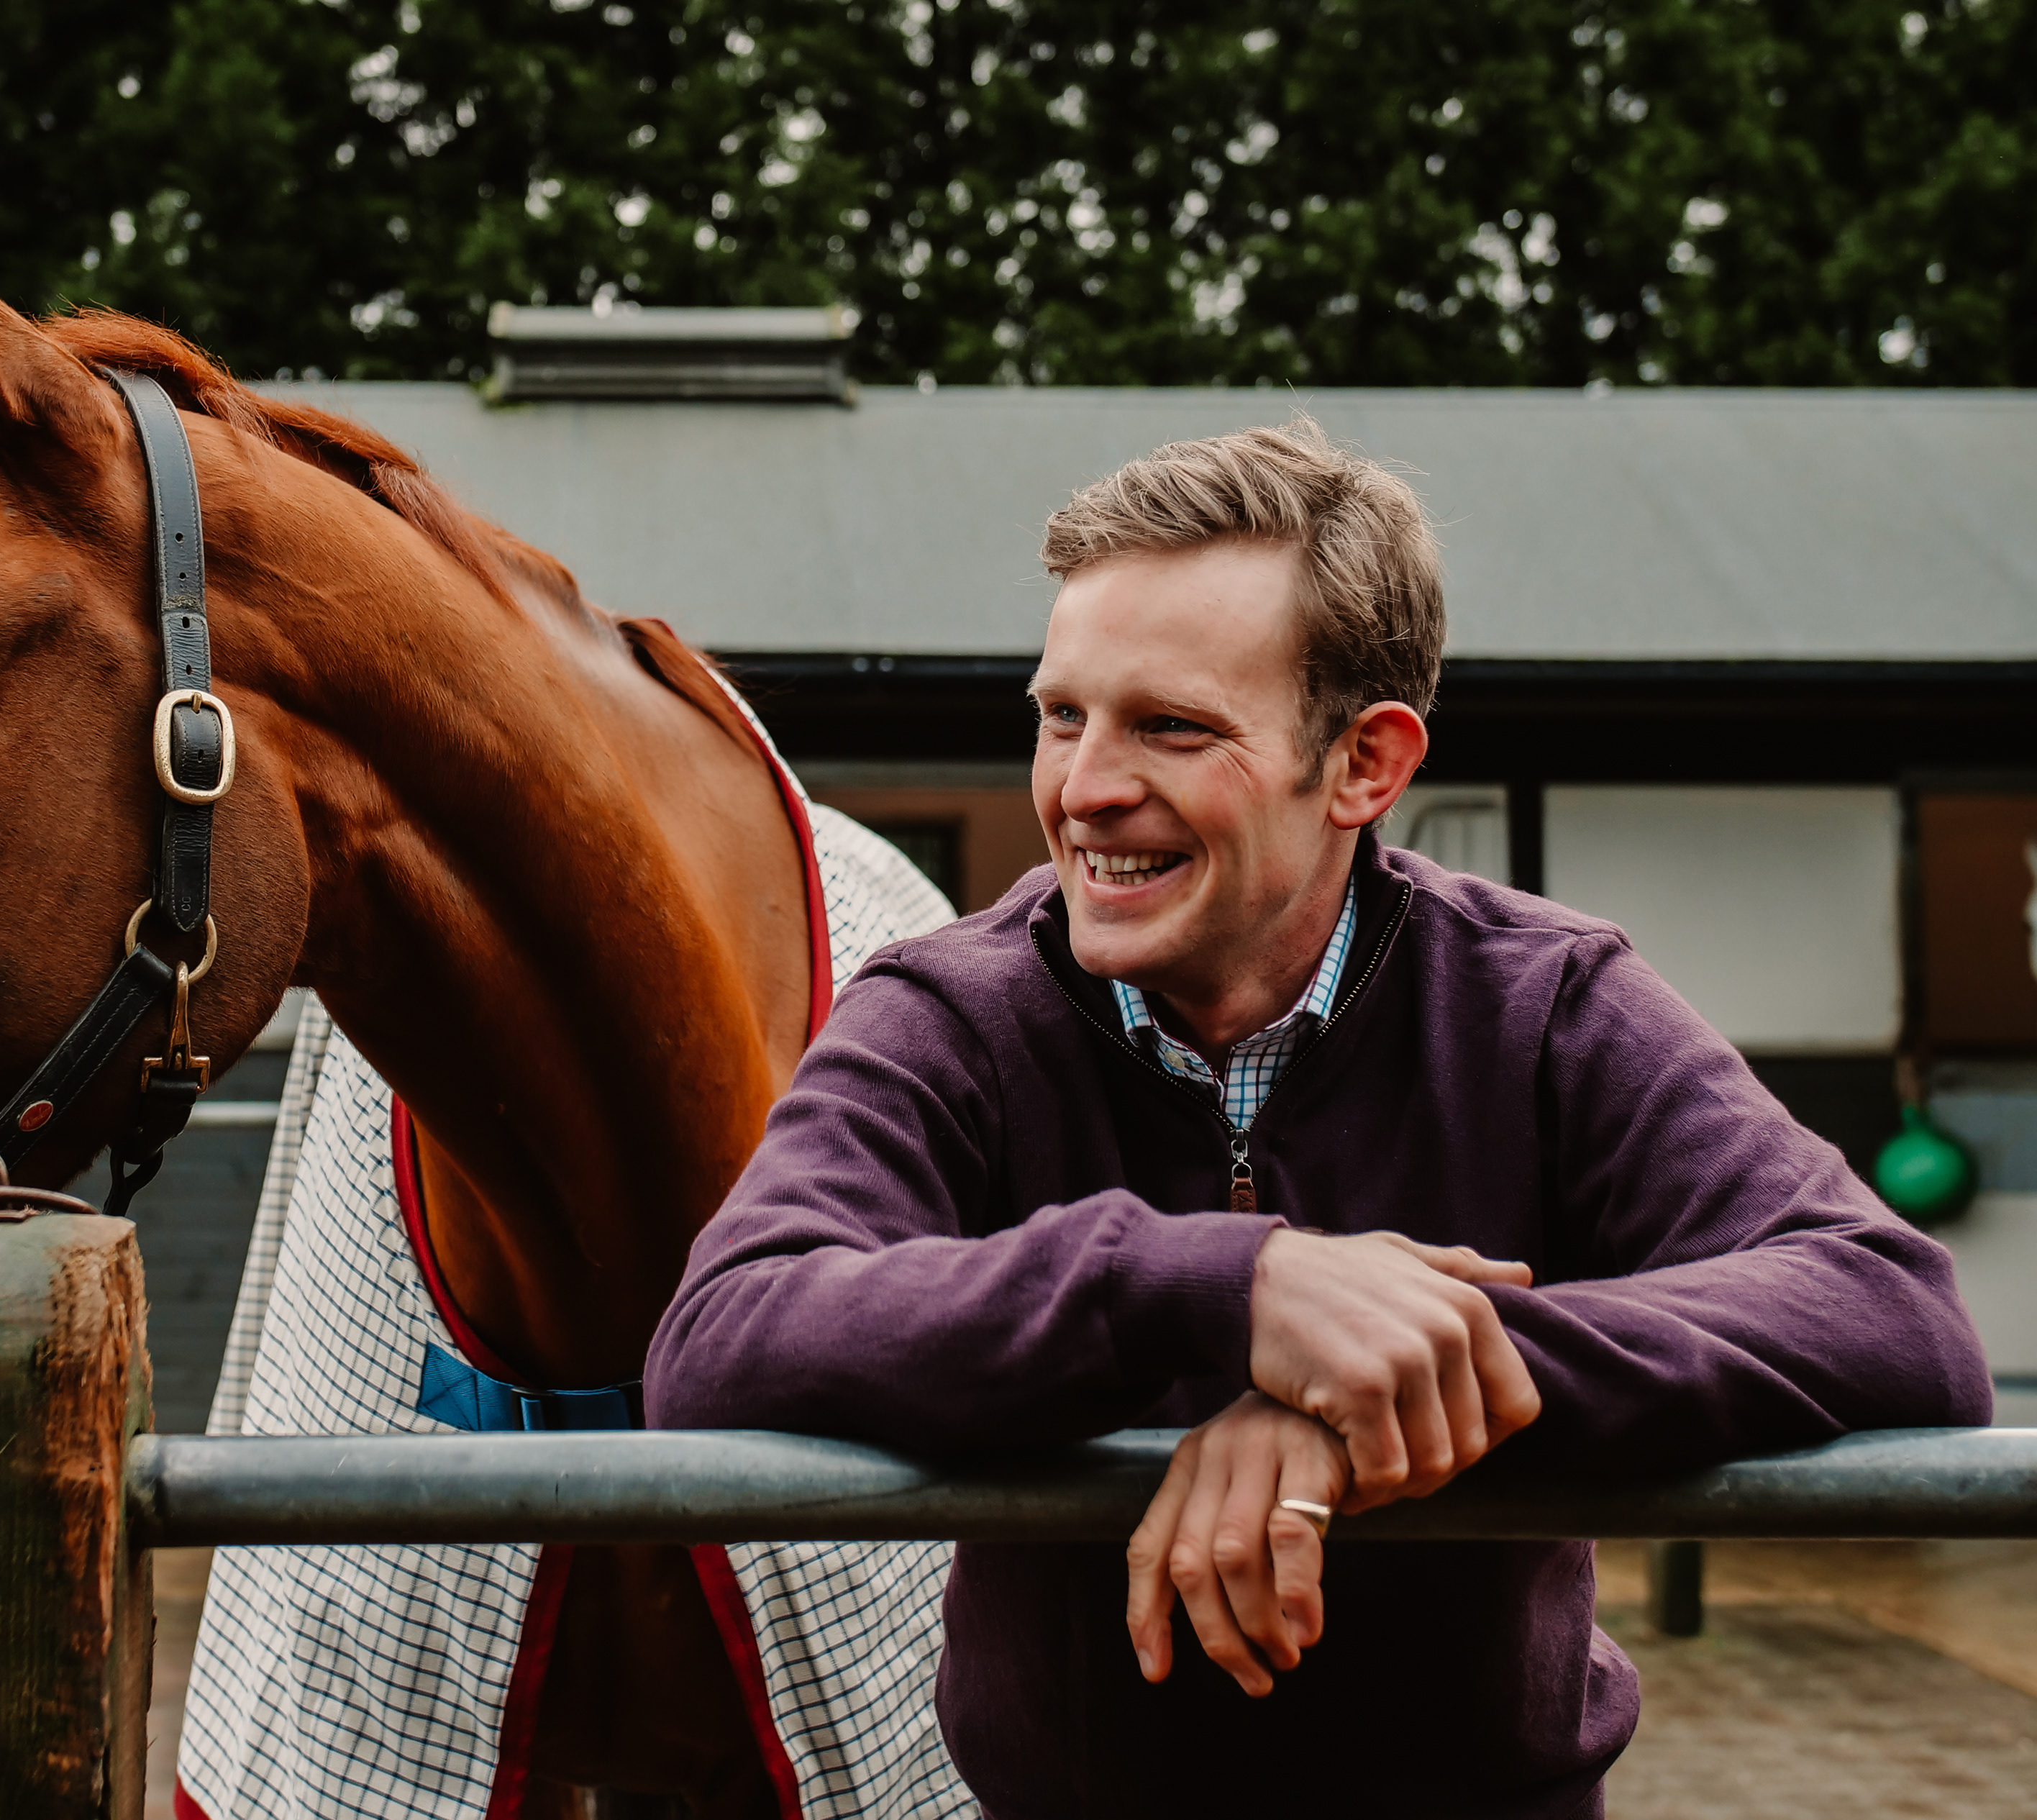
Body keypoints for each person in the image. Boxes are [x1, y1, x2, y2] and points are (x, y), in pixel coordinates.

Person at [643, 419, 1991, 1818]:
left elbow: (1890, 1310)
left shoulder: (1544, 1000)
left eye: (1171, 726)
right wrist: (1220, 1287)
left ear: (1364, 764)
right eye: (1062, 714)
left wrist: (1385, 1387)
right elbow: (726, 1335)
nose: (1084, 787)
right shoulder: (947, 1010)